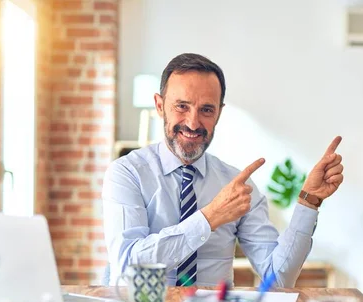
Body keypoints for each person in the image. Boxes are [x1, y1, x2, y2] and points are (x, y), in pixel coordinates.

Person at [102, 53, 344, 287]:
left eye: (206, 110)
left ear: (219, 113)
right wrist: (210, 218)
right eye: (182, 106)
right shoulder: (127, 173)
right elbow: (126, 264)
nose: (193, 123)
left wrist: (309, 202)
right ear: (159, 105)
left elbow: (278, 278)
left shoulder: (236, 186)